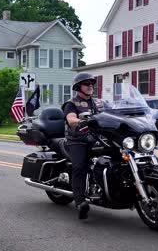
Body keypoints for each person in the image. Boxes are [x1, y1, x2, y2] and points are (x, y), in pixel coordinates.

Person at [61, 73, 100, 220]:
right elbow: (71, 119)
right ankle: (80, 201)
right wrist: (80, 121)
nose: (90, 86)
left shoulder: (98, 103)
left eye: (91, 83)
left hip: (96, 138)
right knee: (79, 166)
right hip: (77, 139)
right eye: (86, 83)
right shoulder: (72, 103)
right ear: (78, 87)